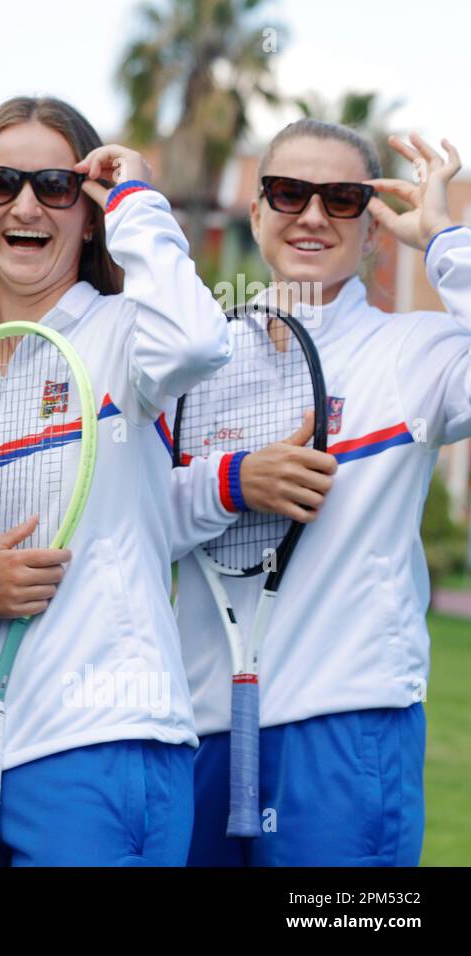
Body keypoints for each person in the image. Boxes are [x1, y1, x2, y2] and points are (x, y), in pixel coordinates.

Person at [0, 96, 231, 866]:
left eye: (55, 185)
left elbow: (197, 342)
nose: (24, 204)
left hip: (100, 746)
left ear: (90, 218)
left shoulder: (126, 333)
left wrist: (139, 201)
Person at [171, 120, 469, 866]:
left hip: (347, 727)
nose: (311, 215)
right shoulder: (193, 363)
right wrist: (236, 482)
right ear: (256, 213)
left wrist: (443, 239)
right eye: (288, 192)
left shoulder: (412, 353)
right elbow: (135, 524)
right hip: (197, 728)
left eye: (342, 199)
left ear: (373, 231)